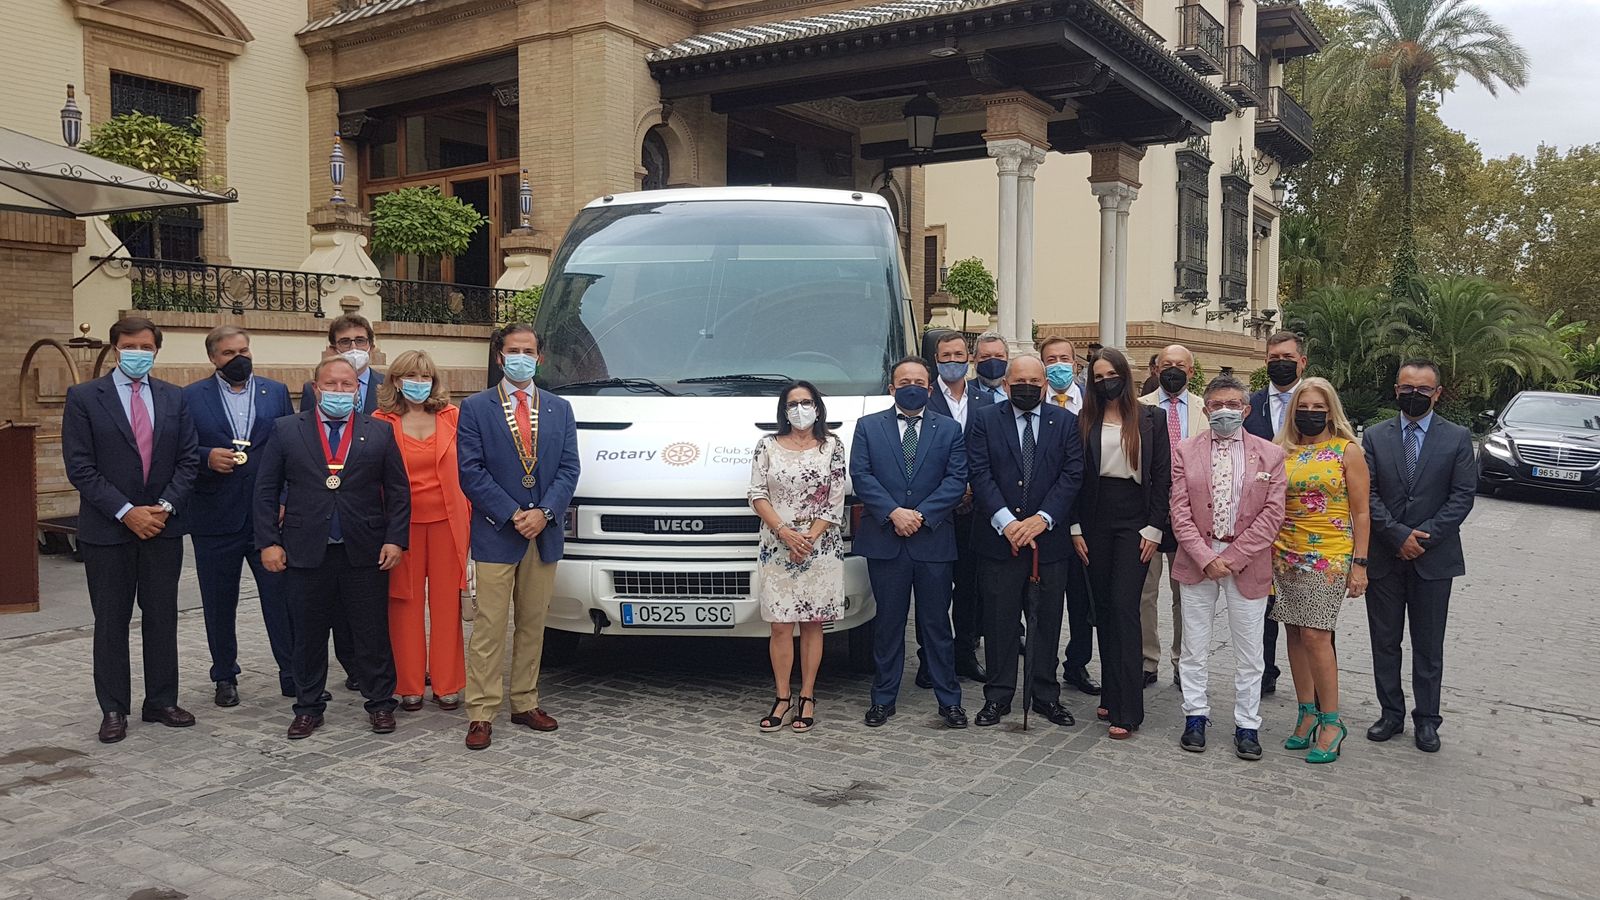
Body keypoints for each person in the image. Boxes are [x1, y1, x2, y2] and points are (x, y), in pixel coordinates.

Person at [255, 357, 410, 740]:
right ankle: (308, 707)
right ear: (315, 387)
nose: (340, 391)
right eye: (332, 384)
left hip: (365, 549)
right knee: (307, 634)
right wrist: (268, 543)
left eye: (348, 385)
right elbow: (264, 491)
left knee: (370, 632)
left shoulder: (379, 432)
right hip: (305, 549)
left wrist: (395, 538)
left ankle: (380, 703)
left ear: (358, 391)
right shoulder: (287, 429)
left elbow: (397, 491)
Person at [63, 316, 199, 744]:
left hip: (162, 526)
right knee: (111, 620)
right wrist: (126, 511)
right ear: (115, 348)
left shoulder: (174, 398)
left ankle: (161, 700)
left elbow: (189, 459)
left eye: (145, 346)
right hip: (108, 530)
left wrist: (163, 507)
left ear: (156, 350)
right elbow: (80, 467)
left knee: (162, 617)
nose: (137, 353)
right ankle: (114, 708)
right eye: (129, 346)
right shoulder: (85, 397)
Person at [457, 324, 580, 750]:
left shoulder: (560, 409)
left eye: (529, 351)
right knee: (490, 626)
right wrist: (513, 513)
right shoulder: (475, 408)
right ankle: (481, 711)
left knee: (532, 624)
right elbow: (470, 472)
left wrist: (544, 513)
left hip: (541, 535)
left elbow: (569, 469)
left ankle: (525, 702)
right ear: (499, 357)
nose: (521, 357)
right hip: (496, 532)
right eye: (514, 350)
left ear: (539, 359)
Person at [1169, 376, 1287, 760]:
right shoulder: (1186, 451)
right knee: (1194, 646)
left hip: (1247, 561)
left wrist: (1233, 558)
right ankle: (1195, 716)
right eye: (1218, 404)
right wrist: (1206, 557)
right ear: (1205, 410)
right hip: (1197, 557)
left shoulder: (1271, 455)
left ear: (1246, 409)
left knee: (1250, 650)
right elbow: (1179, 510)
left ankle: (1247, 724)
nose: (1225, 411)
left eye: (1234, 404)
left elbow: (1273, 514)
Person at [1363, 360, 1476, 753]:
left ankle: (1427, 720)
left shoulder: (1458, 438)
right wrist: (1397, 535)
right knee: (1385, 641)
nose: (1415, 394)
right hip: (1386, 556)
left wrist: (1422, 538)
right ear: (1396, 389)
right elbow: (1367, 494)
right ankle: (1390, 713)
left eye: (1424, 389)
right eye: (1408, 387)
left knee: (1428, 646)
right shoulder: (1375, 437)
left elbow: (1462, 496)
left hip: (1434, 559)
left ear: (1437, 393)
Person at [966, 354, 1084, 729]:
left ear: (1046, 385)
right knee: (999, 623)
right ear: (1005, 384)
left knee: (1047, 621)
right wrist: (1006, 522)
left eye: (1036, 381)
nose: (1028, 387)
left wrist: (1041, 520)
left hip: (1048, 543)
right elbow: (979, 472)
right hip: (998, 541)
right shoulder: (985, 420)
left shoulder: (1065, 422)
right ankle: (998, 696)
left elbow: (1071, 474)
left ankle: (1046, 694)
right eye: (1020, 381)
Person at [851, 358, 969, 729]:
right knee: (888, 624)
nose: (912, 386)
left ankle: (949, 700)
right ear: (892, 388)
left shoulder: (949, 430)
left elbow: (956, 479)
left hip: (932, 539)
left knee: (937, 625)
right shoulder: (868, 426)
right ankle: (883, 699)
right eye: (905, 381)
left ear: (930, 389)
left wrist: (920, 514)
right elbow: (861, 474)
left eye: (919, 381)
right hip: (886, 540)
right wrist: (893, 512)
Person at [182, 325, 297, 707]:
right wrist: (204, 457)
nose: (239, 358)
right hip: (214, 516)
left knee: (279, 598)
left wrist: (284, 498)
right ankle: (224, 675)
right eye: (229, 353)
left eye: (244, 350)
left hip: (267, 517)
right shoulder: (191, 397)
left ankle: (291, 671)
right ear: (214, 358)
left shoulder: (275, 392)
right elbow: (180, 450)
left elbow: (291, 450)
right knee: (218, 601)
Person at [1070, 347, 1170, 739]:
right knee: (1105, 610)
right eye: (1097, 377)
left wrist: (1154, 528)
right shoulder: (1084, 420)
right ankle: (1111, 692)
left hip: (1135, 523)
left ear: (1125, 375)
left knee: (1125, 606)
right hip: (1094, 521)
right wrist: (1075, 527)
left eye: (1110, 374)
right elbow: (1075, 477)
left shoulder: (1151, 419)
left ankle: (1128, 709)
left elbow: (1161, 477)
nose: (1104, 381)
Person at [1271, 377, 1370, 764]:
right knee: (1294, 633)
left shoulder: (1347, 452)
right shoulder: (1283, 451)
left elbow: (1361, 511)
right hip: (1285, 553)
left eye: (1318, 408)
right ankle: (1306, 712)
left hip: (1328, 555)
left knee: (1316, 635)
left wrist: (1360, 564)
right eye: (1304, 407)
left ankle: (1332, 721)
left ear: (1331, 411)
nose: (1310, 414)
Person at [372, 351, 469, 713]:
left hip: (447, 521)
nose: (418, 383)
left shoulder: (453, 417)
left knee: (446, 604)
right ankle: (408, 683)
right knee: (404, 604)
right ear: (396, 381)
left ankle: (447, 683)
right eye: (410, 376)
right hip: (400, 526)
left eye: (425, 376)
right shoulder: (380, 421)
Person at [749, 381, 848, 733]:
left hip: (820, 546)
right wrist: (784, 532)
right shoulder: (767, 446)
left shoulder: (832, 446)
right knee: (779, 625)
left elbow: (835, 499)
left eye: (807, 402)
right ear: (783, 410)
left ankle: (807, 695)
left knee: (812, 622)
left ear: (818, 407)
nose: (800, 409)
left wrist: (808, 537)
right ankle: (781, 696)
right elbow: (757, 493)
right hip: (777, 544)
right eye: (793, 403)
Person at [299, 313, 386, 693]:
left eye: (360, 341)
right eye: (345, 342)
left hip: (371, 509)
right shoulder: (314, 389)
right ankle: (345, 669)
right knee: (328, 609)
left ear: (371, 343)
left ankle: (375, 680)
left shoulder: (387, 386)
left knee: (368, 609)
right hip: (327, 512)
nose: (354, 349)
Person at [1137, 344, 1206, 688]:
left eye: (1180, 366)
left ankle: (1183, 663)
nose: (1173, 370)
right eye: (1167, 365)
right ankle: (1147, 660)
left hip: (1190, 517)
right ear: (1156, 370)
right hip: (1148, 511)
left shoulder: (1205, 409)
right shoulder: (1138, 409)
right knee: (1145, 592)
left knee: (1186, 596)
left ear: (1191, 372)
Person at [1247, 330, 1309, 696]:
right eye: (1273, 358)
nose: (1279, 364)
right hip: (1258, 522)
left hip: (1306, 523)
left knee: (1307, 612)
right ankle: (1263, 672)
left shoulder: (1318, 404)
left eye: (1287, 357)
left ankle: (1314, 682)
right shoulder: (1252, 406)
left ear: (1302, 361)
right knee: (1261, 604)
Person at [926, 330, 986, 683]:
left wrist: (972, 489)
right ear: (936, 360)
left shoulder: (984, 401)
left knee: (969, 588)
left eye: (958, 355)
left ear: (969, 358)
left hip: (973, 510)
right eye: (945, 356)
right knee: (933, 591)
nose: (952, 361)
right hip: (935, 511)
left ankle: (965, 654)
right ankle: (932, 660)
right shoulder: (926, 398)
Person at [1039, 336, 1097, 697]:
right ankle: (1038, 664)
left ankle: (1077, 663)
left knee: (1081, 597)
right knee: (1041, 599)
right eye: (1051, 359)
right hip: (1041, 516)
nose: (1058, 365)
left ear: (1076, 365)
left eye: (1065, 358)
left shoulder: (1092, 402)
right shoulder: (1027, 399)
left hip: (1086, 513)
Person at [969, 331, 1011, 406]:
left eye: (999, 356)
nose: (993, 362)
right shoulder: (964, 391)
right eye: (985, 356)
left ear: (1007, 358)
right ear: (975, 359)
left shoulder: (1016, 392)